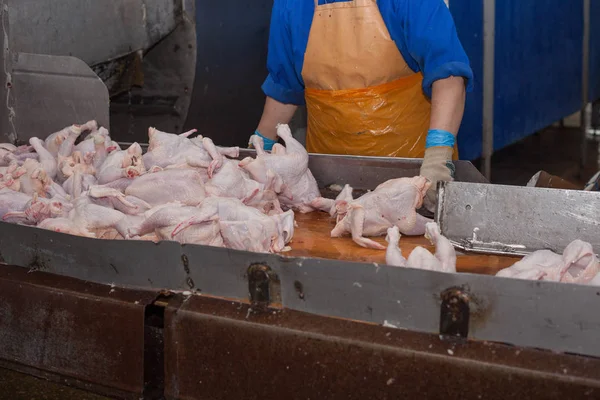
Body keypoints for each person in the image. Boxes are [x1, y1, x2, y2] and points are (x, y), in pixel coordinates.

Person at [251, 0, 473, 212]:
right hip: (328, 190)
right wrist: (260, 149)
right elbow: (284, 88)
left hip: (414, 182)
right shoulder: (291, 5)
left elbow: (449, 76)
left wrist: (437, 159)